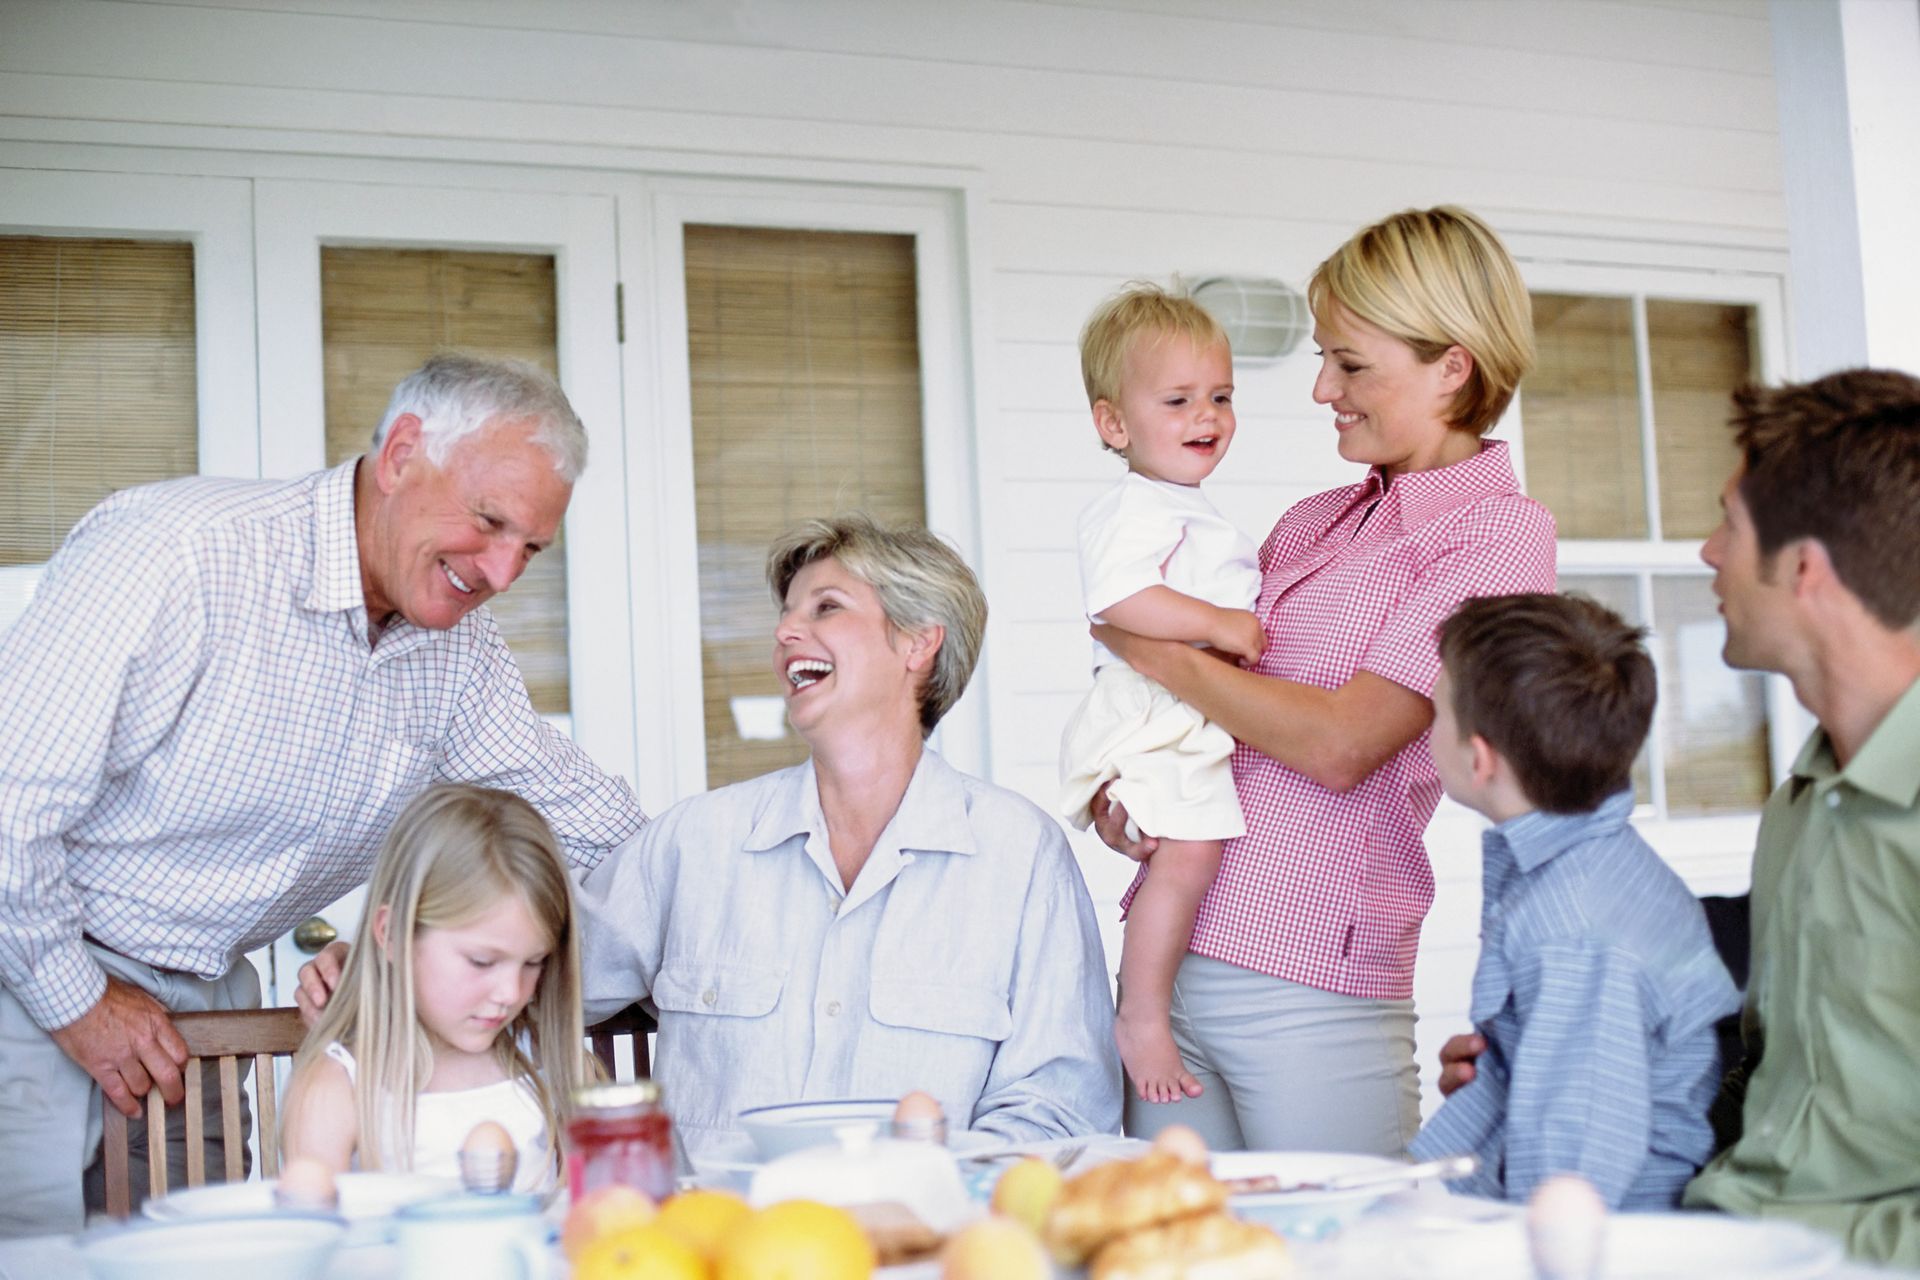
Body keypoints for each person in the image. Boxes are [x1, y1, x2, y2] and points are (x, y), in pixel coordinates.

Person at [0, 353, 646, 1233]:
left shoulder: (459, 651)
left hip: (203, 1003)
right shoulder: (179, 551)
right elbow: (9, 801)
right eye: (489, 522)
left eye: (528, 548)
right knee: (31, 1254)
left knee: (214, 1255)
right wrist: (74, 996)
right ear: (402, 454)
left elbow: (584, 821)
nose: (500, 572)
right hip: (27, 965)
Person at [1092, 205, 1555, 1154]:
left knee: (1345, 1256)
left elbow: (1343, 742)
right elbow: (1208, 706)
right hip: (1171, 957)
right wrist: (1128, 786)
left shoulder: (1497, 534)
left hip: (1311, 975)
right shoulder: (1312, 520)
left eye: (1350, 363)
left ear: (1451, 366)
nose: (1320, 389)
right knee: (1174, 1255)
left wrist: (1156, 649)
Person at [577, 515, 1122, 1161]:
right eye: (786, 613)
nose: (784, 632)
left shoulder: (1019, 853)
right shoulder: (693, 843)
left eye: (826, 607)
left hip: (922, 1237)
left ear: (918, 644)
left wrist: (931, 1190)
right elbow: (515, 993)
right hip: (717, 1242)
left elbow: (1061, 1101)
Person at [1675, 370, 1920, 1264]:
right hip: (1723, 1233)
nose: (1707, 553)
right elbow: (1774, 1084)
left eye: (1729, 526)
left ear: (1805, 568)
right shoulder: (1800, 805)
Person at [1407, 593, 1738, 1208]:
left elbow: (1567, 1179)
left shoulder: (1574, 934)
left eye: (1435, 715)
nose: (1427, 731)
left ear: (1479, 759)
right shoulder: (1591, 865)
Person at [1057, 283, 1263, 1105]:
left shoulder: (1180, 503)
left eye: (1219, 397)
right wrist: (1221, 622)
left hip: (1174, 712)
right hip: (1152, 714)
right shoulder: (1131, 507)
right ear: (1114, 425)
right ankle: (1140, 1013)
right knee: (1187, 855)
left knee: (1188, 853)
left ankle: (1146, 1005)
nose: (1203, 416)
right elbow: (1118, 600)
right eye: (1176, 400)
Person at [282, 784, 593, 1193]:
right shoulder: (337, 1089)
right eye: (482, 961)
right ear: (392, 934)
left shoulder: (556, 1066)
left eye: (533, 963)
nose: (510, 992)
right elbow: (319, 1243)